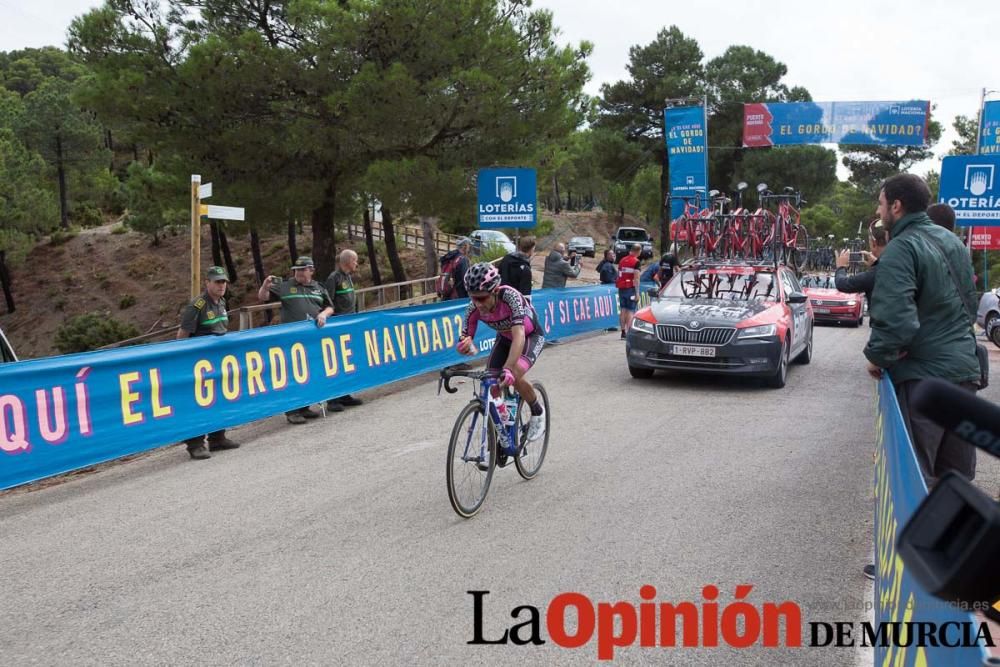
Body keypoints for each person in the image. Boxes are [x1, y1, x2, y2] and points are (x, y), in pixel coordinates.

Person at [864, 174, 981, 486]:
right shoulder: (954, 243)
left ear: (897, 206)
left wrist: (878, 356)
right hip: (965, 374)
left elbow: (896, 320)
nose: (879, 212)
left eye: (881, 204)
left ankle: (922, 536)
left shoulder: (902, 248)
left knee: (916, 480)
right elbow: (970, 304)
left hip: (925, 381)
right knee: (955, 480)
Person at [456, 263, 547, 452]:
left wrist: (508, 368)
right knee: (491, 381)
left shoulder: (510, 297)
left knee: (513, 372)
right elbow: (466, 338)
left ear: (495, 290)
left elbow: (519, 335)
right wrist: (465, 346)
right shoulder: (473, 307)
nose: (478, 304)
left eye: (482, 298)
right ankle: (505, 425)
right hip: (505, 339)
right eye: (473, 298)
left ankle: (538, 411)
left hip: (529, 336)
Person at [258, 255, 334, 424]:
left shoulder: (319, 288)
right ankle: (292, 411)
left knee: (308, 372)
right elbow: (263, 297)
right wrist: (264, 286)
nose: (298, 273)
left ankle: (304, 406)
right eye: (296, 270)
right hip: (291, 340)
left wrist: (323, 314)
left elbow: (330, 307)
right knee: (293, 374)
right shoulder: (285, 286)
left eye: (302, 269)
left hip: (311, 339)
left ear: (311, 270)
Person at [177, 266, 241, 460]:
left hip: (218, 361)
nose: (222, 285)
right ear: (207, 283)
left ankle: (217, 437)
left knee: (219, 398)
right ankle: (195, 443)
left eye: (224, 282)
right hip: (198, 363)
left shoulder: (221, 302)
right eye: (217, 282)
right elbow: (182, 335)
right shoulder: (197, 305)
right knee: (198, 401)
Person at [324, 249, 364, 413]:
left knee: (348, 362)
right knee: (337, 363)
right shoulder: (334, 278)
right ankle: (333, 399)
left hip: (349, 325)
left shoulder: (347, 277)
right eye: (355, 260)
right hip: (337, 327)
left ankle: (345, 394)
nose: (356, 263)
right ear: (347, 261)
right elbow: (328, 302)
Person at [834, 219, 888, 306]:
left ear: (874, 243)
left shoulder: (875, 274)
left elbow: (842, 284)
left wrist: (841, 267)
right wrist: (876, 263)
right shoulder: (905, 262)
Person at [616, 244, 641, 339]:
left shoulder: (622, 260)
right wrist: (637, 292)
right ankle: (629, 331)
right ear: (638, 251)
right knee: (630, 310)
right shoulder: (636, 262)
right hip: (630, 288)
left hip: (621, 288)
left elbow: (619, 274)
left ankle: (623, 332)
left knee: (623, 310)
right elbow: (637, 278)